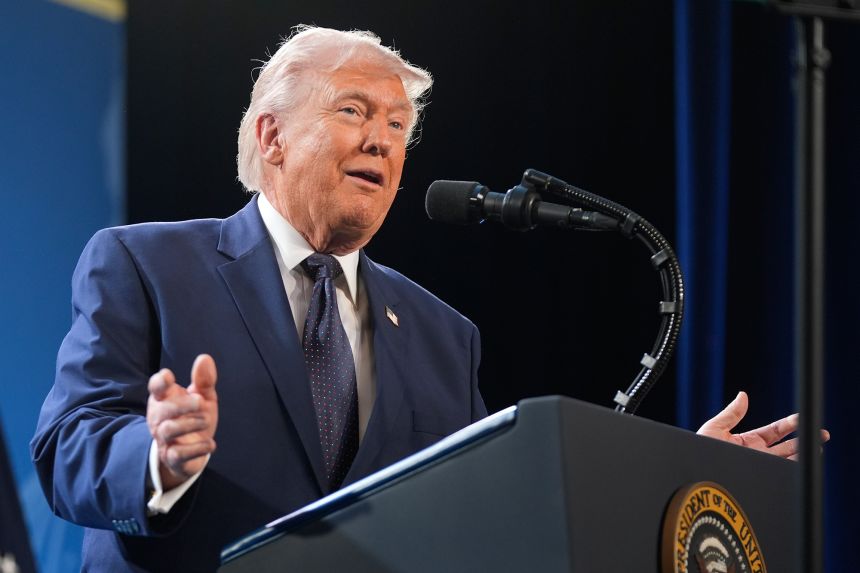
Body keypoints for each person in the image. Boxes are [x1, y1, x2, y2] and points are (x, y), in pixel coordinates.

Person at [30, 26, 817, 573]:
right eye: (354, 112)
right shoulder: (144, 263)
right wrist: (158, 458)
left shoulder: (444, 335)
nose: (383, 140)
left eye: (399, 125)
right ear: (270, 136)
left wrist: (668, 475)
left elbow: (500, 517)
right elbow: (67, 446)